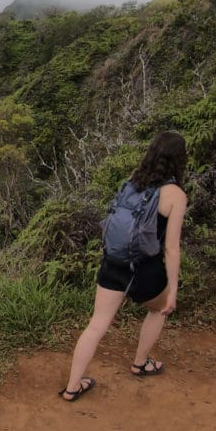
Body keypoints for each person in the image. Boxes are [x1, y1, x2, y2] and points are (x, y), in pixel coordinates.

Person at [60, 130, 189, 402]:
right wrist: (173, 290)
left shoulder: (133, 179)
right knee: (159, 310)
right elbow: (171, 247)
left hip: (114, 263)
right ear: (179, 160)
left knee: (96, 325)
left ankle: (73, 386)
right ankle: (140, 363)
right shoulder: (175, 194)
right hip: (145, 269)